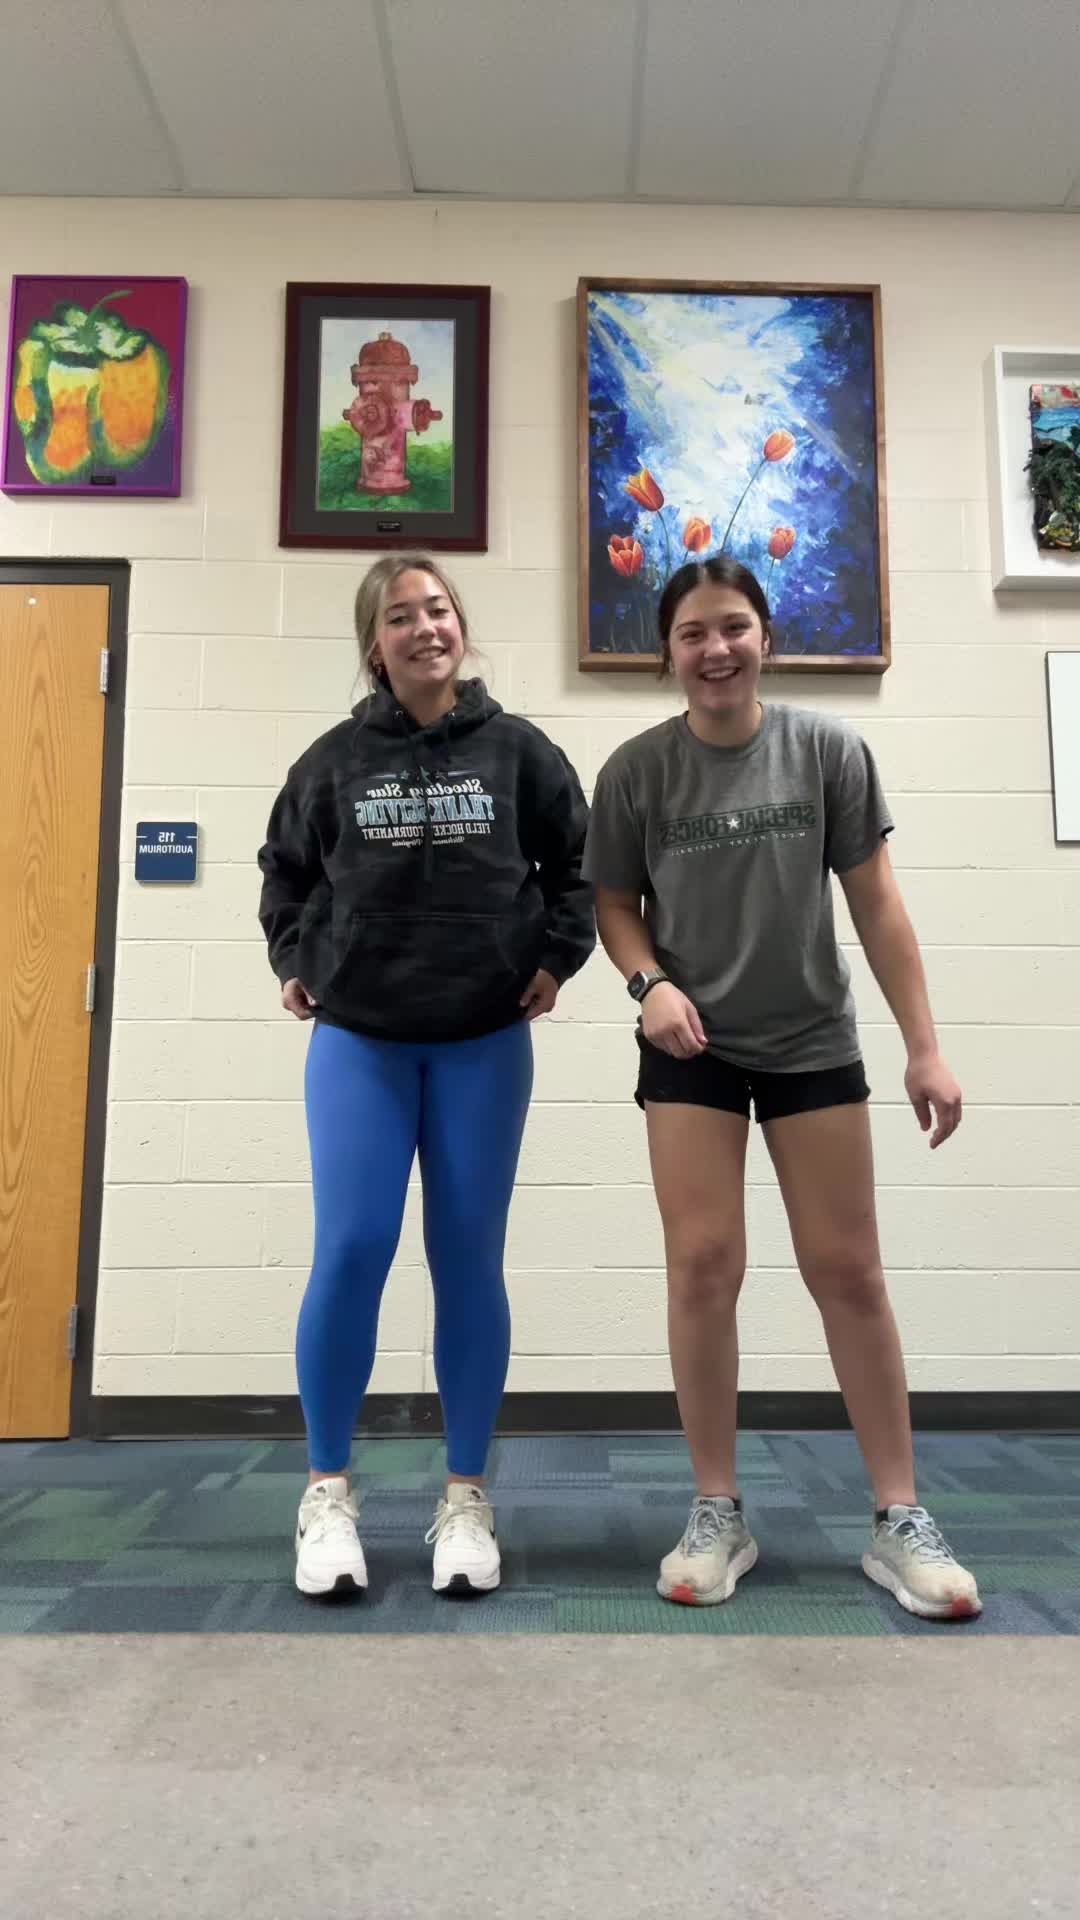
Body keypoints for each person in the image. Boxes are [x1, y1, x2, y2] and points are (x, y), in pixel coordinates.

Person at [584, 555, 981, 1622]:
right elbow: (613, 905)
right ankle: (717, 1510)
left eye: (733, 627)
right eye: (693, 634)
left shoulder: (827, 752)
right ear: (666, 653)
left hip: (811, 1036)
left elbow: (879, 906)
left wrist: (925, 1048)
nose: (715, 649)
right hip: (692, 1045)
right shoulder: (636, 771)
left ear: (766, 637)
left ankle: (900, 1516)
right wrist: (649, 984)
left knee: (848, 1269)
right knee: (703, 1265)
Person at [258, 553, 594, 1600]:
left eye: (438, 609)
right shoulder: (330, 761)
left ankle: (465, 1497)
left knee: (467, 1260)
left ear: (460, 625)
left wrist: (555, 960)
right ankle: (327, 1494)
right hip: (360, 1039)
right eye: (400, 616)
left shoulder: (519, 752)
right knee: (352, 1250)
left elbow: (580, 870)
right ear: (376, 645)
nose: (425, 628)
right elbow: (284, 872)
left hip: (482, 1039)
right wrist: (293, 957)